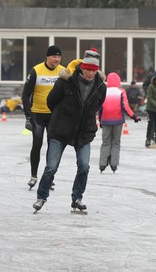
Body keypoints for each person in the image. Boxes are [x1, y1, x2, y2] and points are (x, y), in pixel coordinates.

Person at [32, 49, 107, 214]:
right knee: (51, 166)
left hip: (83, 133)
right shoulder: (66, 81)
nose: (90, 73)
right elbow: (51, 101)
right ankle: (41, 196)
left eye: (94, 70)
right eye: (87, 69)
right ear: (82, 68)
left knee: (84, 166)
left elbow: (98, 105)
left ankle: (77, 198)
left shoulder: (100, 87)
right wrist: (61, 117)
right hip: (60, 130)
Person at [22, 45, 65, 188]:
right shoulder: (36, 70)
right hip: (37, 115)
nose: (56, 59)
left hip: (54, 115)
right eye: (54, 57)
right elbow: (25, 94)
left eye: (59, 57)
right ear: (47, 57)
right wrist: (28, 116)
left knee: (52, 147)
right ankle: (33, 175)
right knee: (37, 143)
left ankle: (48, 177)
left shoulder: (63, 72)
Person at [98, 72, 141, 172]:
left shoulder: (104, 91)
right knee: (116, 142)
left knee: (105, 142)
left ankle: (102, 163)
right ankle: (114, 163)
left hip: (105, 120)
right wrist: (134, 117)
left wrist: (100, 120)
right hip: (118, 120)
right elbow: (125, 107)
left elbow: (100, 108)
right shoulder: (121, 92)